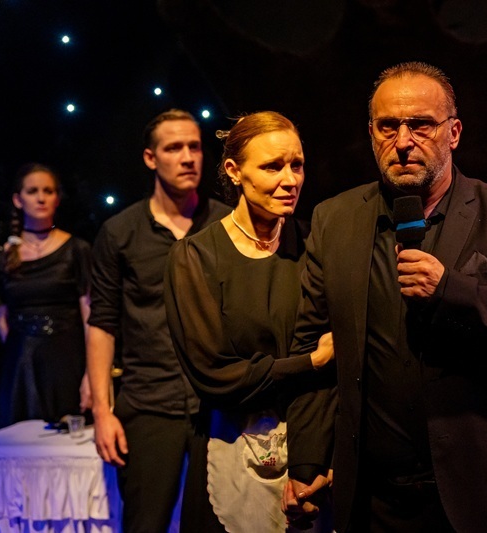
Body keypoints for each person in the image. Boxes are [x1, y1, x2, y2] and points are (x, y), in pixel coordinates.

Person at [283, 61, 487, 533]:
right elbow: (312, 347)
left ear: (453, 133)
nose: (403, 141)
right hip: (375, 501)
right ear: (371, 133)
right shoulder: (334, 219)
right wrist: (306, 460)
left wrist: (452, 291)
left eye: (421, 125)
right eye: (388, 126)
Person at [163, 111, 335, 532]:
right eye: (272, 167)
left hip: (312, 449)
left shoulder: (316, 245)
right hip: (229, 447)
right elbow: (214, 376)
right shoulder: (197, 257)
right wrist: (309, 363)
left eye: (297, 165)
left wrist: (321, 458)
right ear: (234, 171)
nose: (290, 179)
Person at [86, 109, 230, 532]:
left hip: (217, 403)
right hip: (149, 401)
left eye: (195, 147)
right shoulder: (120, 232)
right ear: (151, 158)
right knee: (146, 523)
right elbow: (102, 323)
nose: (187, 157)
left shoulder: (228, 224)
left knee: (220, 523)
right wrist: (102, 412)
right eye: (174, 148)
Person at [0, 163, 91, 427]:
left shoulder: (76, 250)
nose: (41, 198)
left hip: (67, 360)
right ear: (18, 199)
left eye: (48, 191)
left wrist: (91, 374)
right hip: (22, 366)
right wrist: (23, 349)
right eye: (32, 191)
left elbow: (90, 314)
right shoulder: (2, 257)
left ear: (57, 198)